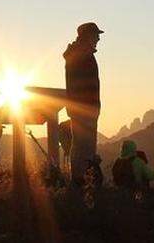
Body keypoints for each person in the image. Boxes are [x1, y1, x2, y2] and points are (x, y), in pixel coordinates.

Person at [64, 21, 103, 186]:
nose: (98, 40)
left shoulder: (80, 54)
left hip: (85, 107)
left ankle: (82, 179)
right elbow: (80, 84)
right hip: (84, 108)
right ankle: (80, 181)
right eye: (96, 36)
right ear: (87, 36)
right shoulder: (81, 55)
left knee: (82, 144)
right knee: (83, 145)